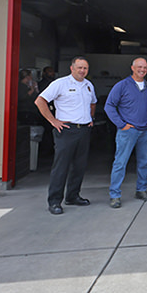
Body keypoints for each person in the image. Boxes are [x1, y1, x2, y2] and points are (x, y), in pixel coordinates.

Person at [35, 56, 97, 215]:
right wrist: (53, 120)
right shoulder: (60, 84)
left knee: (79, 166)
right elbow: (40, 101)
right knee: (61, 167)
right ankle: (54, 201)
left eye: (85, 68)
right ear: (72, 68)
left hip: (83, 130)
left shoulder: (89, 85)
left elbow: (93, 102)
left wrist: (91, 118)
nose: (82, 71)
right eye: (80, 68)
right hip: (66, 130)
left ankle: (72, 196)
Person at [104, 57, 147, 208]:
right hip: (128, 131)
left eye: (145, 67)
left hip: (145, 131)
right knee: (120, 163)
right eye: (139, 67)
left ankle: (140, 190)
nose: (142, 70)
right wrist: (121, 124)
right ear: (132, 68)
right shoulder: (122, 86)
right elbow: (109, 106)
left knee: (143, 162)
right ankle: (115, 195)